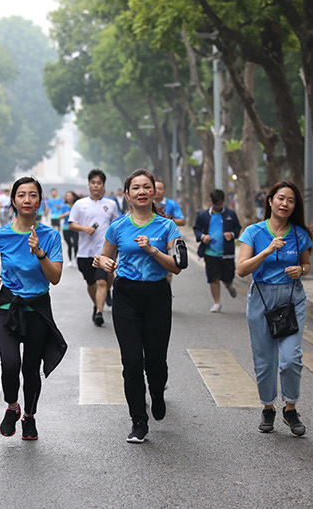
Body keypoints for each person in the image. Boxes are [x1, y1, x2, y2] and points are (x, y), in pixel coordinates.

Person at [93, 169, 185, 443]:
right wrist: (104, 263)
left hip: (157, 294)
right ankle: (138, 420)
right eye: (136, 188)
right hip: (126, 296)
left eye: (147, 187)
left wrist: (153, 250)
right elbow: (103, 259)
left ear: (154, 193)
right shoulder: (118, 226)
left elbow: (178, 267)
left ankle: (157, 391)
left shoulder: (167, 227)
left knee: (155, 361)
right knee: (131, 360)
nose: (142, 191)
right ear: (127, 194)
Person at [0, 176, 66, 441]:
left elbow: (55, 277)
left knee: (30, 369)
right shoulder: (1, 234)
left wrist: (40, 253)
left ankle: (29, 416)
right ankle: (12, 407)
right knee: (9, 363)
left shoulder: (50, 236)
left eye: (32, 195)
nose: (27, 200)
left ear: (39, 202)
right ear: (14, 201)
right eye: (21, 195)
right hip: (8, 305)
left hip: (37, 308)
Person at [237, 181, 313, 437]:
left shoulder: (299, 235)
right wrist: (268, 250)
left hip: (291, 298)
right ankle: (268, 407)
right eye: (281, 198)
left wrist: (300, 270)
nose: (285, 204)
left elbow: (307, 265)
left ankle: (290, 408)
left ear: (294, 206)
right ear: (270, 201)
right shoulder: (254, 232)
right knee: (265, 359)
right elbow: (242, 269)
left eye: (290, 201)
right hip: (261, 297)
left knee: (291, 358)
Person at [68, 169, 120, 326]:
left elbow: (117, 224)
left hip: (104, 251)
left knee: (102, 282)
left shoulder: (111, 204)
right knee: (91, 284)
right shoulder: (80, 204)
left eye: (99, 183)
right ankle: (97, 303)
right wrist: (84, 229)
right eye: (93, 183)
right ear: (89, 185)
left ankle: (99, 312)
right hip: (85, 252)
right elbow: (71, 224)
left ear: (103, 186)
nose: (96, 186)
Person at [193, 189, 242, 313]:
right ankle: (217, 302)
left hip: (227, 253)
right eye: (215, 204)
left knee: (227, 277)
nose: (218, 206)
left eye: (220, 204)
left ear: (223, 202)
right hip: (210, 253)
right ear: (211, 201)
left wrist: (231, 234)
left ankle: (228, 284)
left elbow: (238, 228)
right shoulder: (203, 215)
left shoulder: (230, 214)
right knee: (213, 278)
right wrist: (203, 237)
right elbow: (197, 229)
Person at [61, 191, 78, 268]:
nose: (69, 197)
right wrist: (66, 214)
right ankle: (70, 260)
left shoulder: (76, 206)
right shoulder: (64, 206)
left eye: (70, 196)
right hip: (66, 228)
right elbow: (59, 217)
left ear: (73, 197)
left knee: (75, 244)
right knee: (70, 245)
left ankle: (75, 257)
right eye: (67, 196)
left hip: (75, 227)